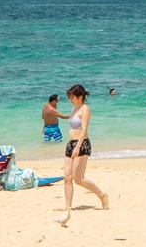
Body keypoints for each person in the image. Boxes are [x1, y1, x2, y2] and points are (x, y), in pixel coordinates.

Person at [55, 84, 108, 225]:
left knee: (79, 179)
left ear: (80, 96)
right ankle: (68, 206)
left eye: (72, 97)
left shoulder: (85, 109)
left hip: (82, 144)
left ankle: (102, 195)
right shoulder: (74, 109)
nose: (70, 100)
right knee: (67, 177)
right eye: (69, 97)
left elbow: (84, 130)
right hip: (70, 144)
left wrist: (78, 147)